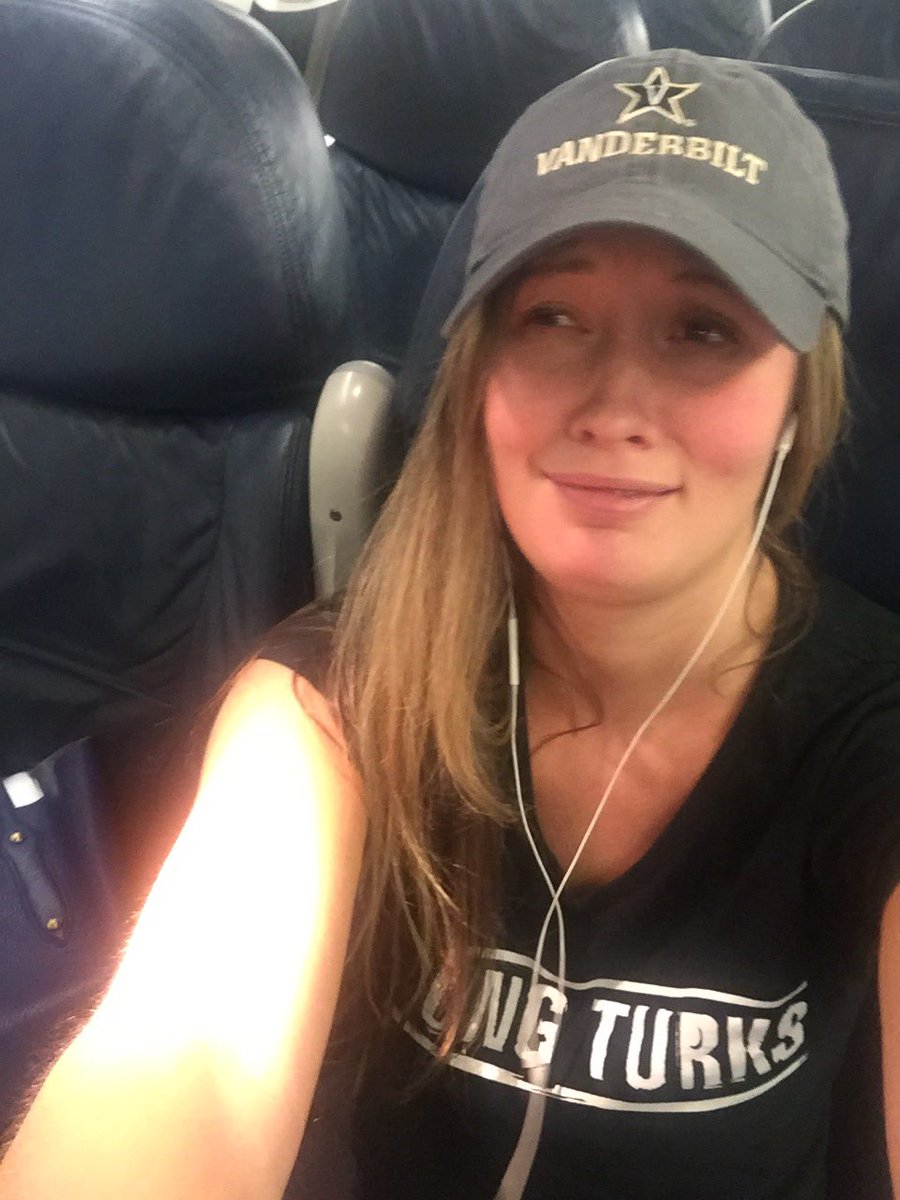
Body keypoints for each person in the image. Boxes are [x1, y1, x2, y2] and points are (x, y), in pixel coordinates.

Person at [1, 47, 899, 1200]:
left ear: (794, 403)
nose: (614, 405)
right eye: (553, 316)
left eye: (704, 330)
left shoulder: (870, 730)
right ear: (479, 377)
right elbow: (199, 1056)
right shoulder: (336, 694)